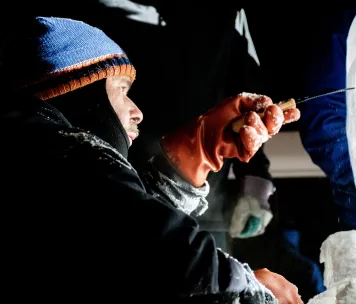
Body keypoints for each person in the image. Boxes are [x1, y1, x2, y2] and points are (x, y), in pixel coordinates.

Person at [0, 16, 302, 303]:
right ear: (79, 90)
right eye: (120, 90)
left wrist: (197, 152)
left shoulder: (45, 161)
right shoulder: (57, 151)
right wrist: (249, 289)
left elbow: (123, 238)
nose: (137, 111)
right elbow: (164, 259)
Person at [6, 0, 280, 249]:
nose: (138, 111)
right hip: (102, 184)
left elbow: (248, 93)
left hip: (196, 193)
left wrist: (245, 171)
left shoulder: (223, 4)